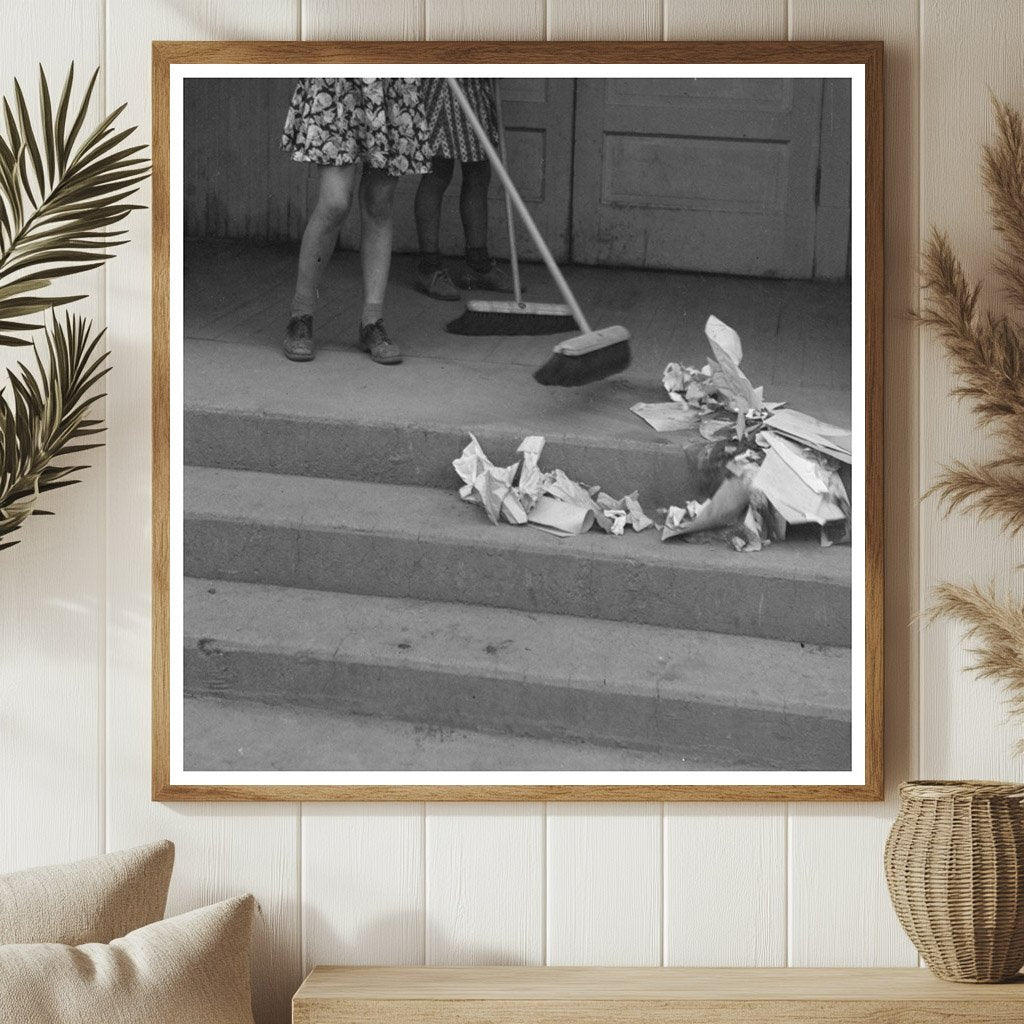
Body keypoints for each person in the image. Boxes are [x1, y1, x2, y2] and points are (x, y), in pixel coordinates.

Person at [280, 78, 433, 364]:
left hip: (391, 75)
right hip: (339, 73)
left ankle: (372, 321)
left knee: (379, 203)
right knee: (335, 202)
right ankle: (300, 315)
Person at [413, 78, 513, 301]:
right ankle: (429, 268)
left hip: (475, 84)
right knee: (438, 171)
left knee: (478, 170)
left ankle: (478, 264)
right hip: (442, 82)